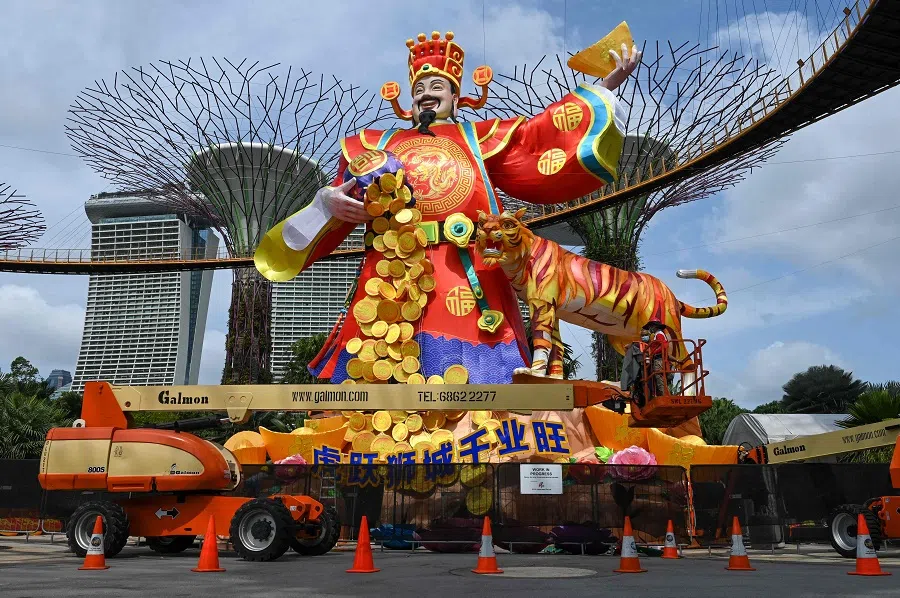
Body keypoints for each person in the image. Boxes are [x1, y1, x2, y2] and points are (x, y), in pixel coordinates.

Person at [255, 31, 640, 384]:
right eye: (419, 88)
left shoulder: (479, 136)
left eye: (437, 86)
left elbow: (540, 135)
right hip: (392, 274)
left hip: (470, 271)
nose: (426, 94)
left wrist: (605, 87)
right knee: (381, 370)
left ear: (456, 97)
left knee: (482, 379)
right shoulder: (373, 146)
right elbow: (343, 195)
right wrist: (327, 202)